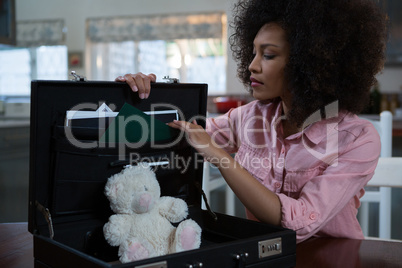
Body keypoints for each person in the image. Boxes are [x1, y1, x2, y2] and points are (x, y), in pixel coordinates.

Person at [115, 0, 388, 243]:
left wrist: (216, 154)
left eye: (268, 55)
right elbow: (175, 133)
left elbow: (301, 223)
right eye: (254, 52)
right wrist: (139, 98)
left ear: (309, 63)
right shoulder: (250, 117)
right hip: (266, 255)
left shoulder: (357, 138)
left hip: (331, 259)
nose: (252, 66)